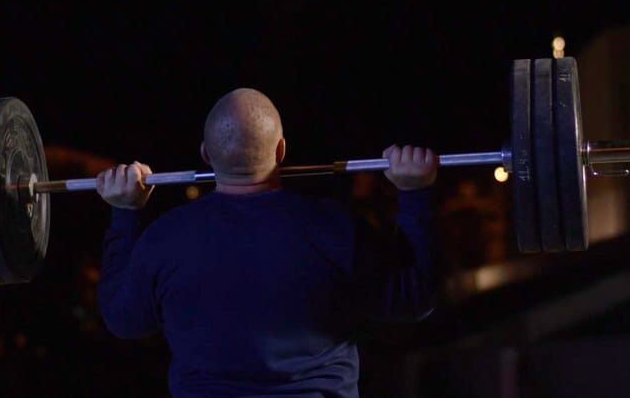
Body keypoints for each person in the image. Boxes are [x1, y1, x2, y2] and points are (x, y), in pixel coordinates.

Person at [97, 88, 440, 397]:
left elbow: (122, 320)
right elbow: (412, 300)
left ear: (205, 154)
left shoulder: (165, 238)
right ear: (281, 149)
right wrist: (414, 194)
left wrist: (125, 214)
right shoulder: (334, 227)